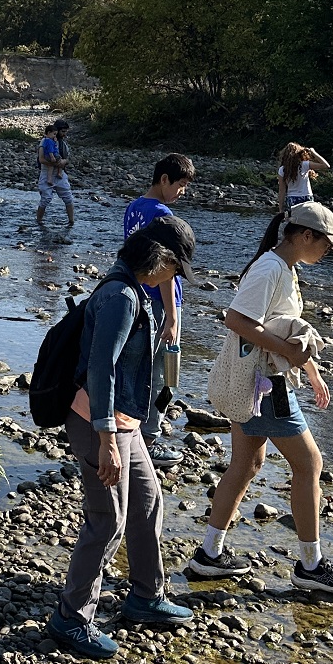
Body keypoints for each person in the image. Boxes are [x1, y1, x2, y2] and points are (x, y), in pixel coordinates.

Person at [188, 201, 333, 595]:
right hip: (266, 386)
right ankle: (310, 566)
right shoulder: (270, 268)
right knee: (309, 464)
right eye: (326, 245)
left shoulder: (283, 267)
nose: (327, 252)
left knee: (246, 465)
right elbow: (235, 320)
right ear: (305, 236)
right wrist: (296, 355)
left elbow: (282, 328)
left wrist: (310, 369)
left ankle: (209, 556)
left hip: (257, 382)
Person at [46, 215, 198, 658]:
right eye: (175, 268)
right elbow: (100, 369)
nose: (173, 277)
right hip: (100, 424)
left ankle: (146, 597)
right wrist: (107, 440)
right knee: (106, 519)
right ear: (160, 258)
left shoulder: (134, 288)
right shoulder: (120, 297)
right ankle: (70, 618)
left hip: (124, 423)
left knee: (149, 501)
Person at [123, 153, 195, 468]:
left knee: (134, 369)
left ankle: (128, 431)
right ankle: (149, 440)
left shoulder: (133, 208)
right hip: (158, 302)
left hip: (137, 295)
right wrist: (173, 314)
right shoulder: (162, 214)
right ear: (164, 179)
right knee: (160, 373)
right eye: (180, 185)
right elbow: (165, 269)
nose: (182, 192)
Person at [36, 119, 75, 224]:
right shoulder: (44, 142)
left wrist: (63, 162)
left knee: (68, 198)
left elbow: (67, 159)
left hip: (60, 173)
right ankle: (38, 221)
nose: (64, 134)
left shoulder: (63, 144)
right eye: (63, 131)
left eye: (66, 132)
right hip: (46, 172)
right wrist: (55, 164)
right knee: (45, 199)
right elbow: (41, 159)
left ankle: (71, 222)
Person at [277, 143, 330, 210]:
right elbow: (326, 166)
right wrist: (313, 152)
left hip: (292, 198)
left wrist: (280, 209)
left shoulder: (282, 169)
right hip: (307, 197)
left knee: (293, 220)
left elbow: (282, 191)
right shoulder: (305, 165)